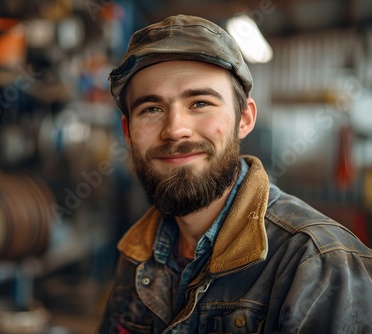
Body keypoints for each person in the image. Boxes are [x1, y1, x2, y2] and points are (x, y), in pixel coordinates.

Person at [97, 14, 372, 334]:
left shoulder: (319, 265)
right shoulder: (135, 255)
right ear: (128, 132)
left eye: (199, 102)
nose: (175, 130)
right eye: (152, 109)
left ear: (244, 118)